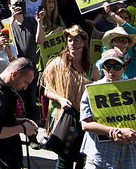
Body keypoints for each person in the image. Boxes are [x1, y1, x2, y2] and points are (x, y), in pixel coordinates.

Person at [80, 49, 136, 169]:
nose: (111, 70)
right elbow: (85, 124)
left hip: (129, 154)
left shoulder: (134, 89)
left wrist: (131, 135)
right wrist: (117, 131)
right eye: (107, 65)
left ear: (124, 67)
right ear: (102, 67)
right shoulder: (92, 90)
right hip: (100, 155)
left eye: (116, 66)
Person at [41, 26, 95, 169]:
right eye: (69, 40)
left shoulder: (91, 68)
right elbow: (46, 90)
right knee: (64, 159)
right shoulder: (57, 64)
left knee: (83, 158)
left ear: (84, 43)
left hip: (85, 119)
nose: (72, 43)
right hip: (64, 118)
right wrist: (60, 99)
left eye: (76, 40)